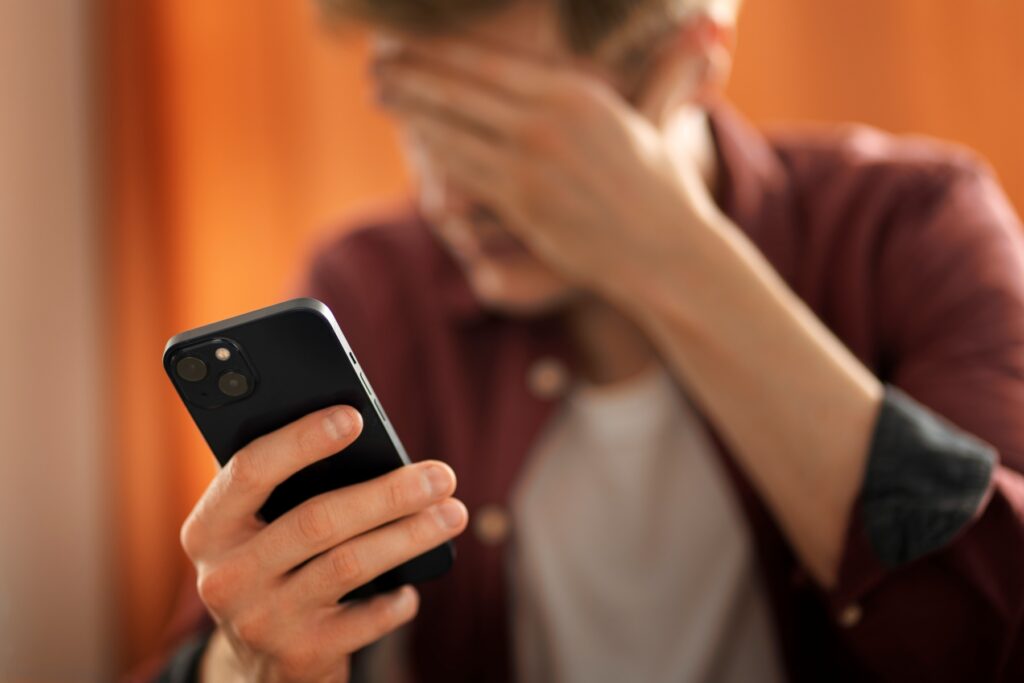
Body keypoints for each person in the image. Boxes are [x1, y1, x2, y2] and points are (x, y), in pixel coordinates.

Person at [137, 0, 1024, 681]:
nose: (448, 194)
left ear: (689, 62)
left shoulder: (912, 227)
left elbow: (993, 630)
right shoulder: (373, 290)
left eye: (499, 131)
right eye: (417, 117)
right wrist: (250, 659)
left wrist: (668, 249)